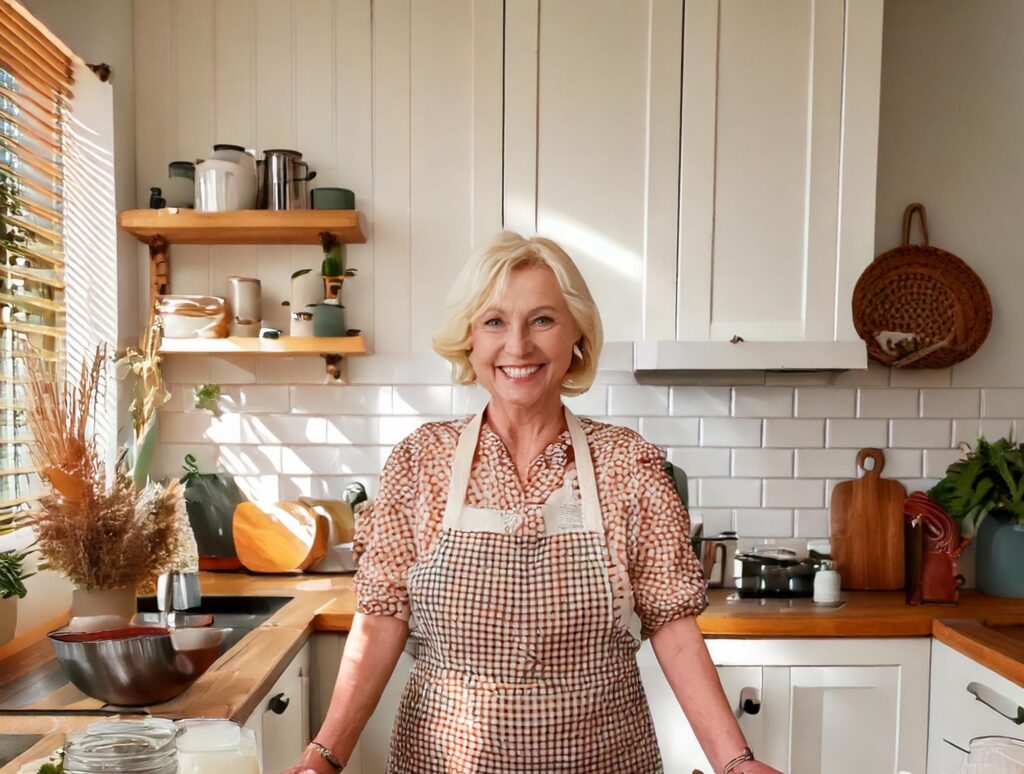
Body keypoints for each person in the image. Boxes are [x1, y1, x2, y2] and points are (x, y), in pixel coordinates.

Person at [283, 233, 781, 774]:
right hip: (442, 762)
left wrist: (735, 763)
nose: (518, 346)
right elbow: (381, 619)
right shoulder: (421, 462)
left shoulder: (627, 464)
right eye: (494, 321)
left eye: (542, 320)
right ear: (468, 339)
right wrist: (324, 757)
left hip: (605, 761)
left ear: (577, 338)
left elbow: (673, 625)